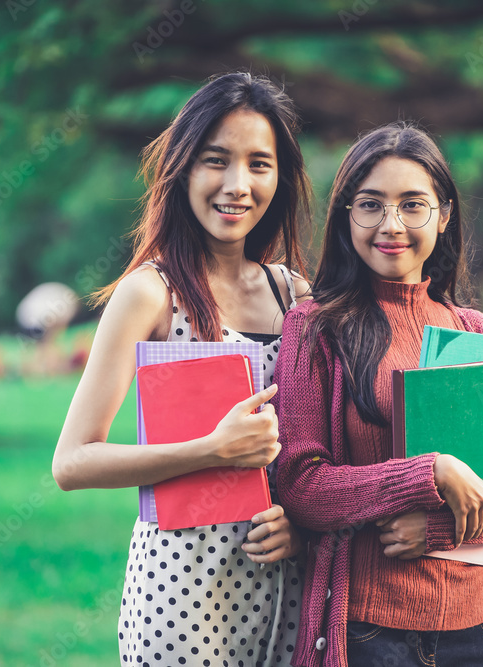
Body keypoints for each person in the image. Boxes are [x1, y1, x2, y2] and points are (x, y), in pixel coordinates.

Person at [51, 72, 312, 666]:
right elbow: (72, 462)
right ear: (183, 169)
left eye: (259, 164)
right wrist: (212, 449)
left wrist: (301, 526)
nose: (237, 185)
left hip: (283, 597)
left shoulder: (297, 296)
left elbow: (313, 451)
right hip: (181, 596)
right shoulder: (151, 294)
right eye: (215, 160)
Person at [273, 122, 483, 667]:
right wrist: (429, 474)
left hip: (471, 630)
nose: (391, 224)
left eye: (412, 205)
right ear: (345, 216)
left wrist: (437, 528)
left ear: (445, 214)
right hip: (367, 631)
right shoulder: (314, 328)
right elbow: (301, 486)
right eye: (371, 204)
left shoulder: (476, 334)